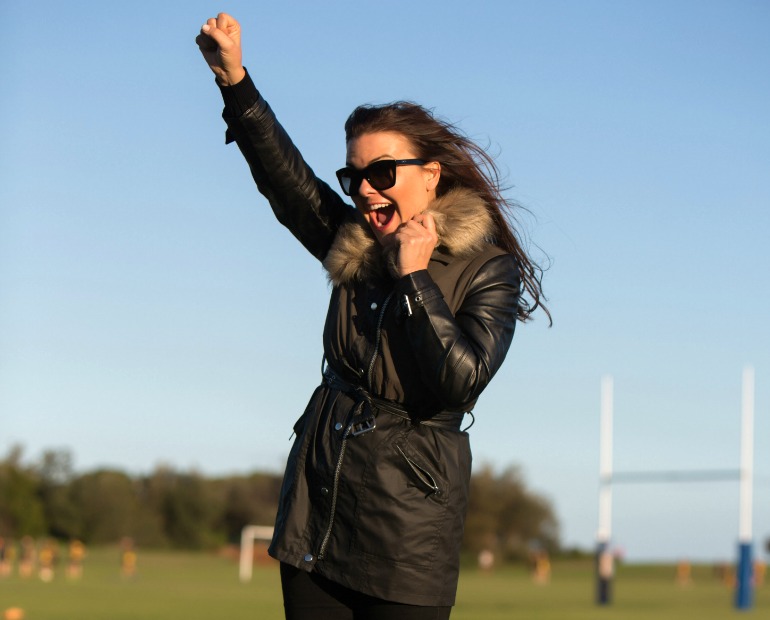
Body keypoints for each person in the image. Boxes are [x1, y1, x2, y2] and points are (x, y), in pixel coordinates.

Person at [196, 13, 549, 620]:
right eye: (354, 176)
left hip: (408, 528)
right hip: (318, 506)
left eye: (382, 173)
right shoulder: (355, 246)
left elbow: (459, 380)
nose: (364, 190)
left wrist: (414, 278)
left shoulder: (487, 268)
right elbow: (289, 183)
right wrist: (235, 82)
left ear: (430, 175)